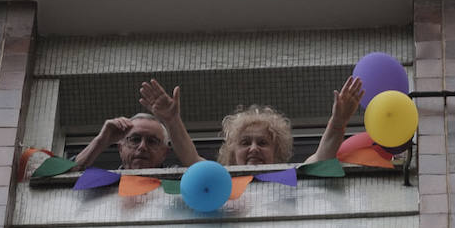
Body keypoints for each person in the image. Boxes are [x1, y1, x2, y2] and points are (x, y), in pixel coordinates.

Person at [215, 76, 363, 166]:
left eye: (263, 143)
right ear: (232, 155)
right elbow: (193, 160)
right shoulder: (219, 184)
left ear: (277, 153)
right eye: (245, 142)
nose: (254, 149)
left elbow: (320, 158)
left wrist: (338, 122)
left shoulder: (290, 181)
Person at [73, 79, 201, 170]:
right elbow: (60, 179)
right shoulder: (102, 184)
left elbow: (202, 172)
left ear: (164, 153)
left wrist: (172, 120)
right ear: (120, 148)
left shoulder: (178, 181)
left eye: (152, 141)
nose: (142, 147)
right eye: (134, 139)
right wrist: (101, 141)